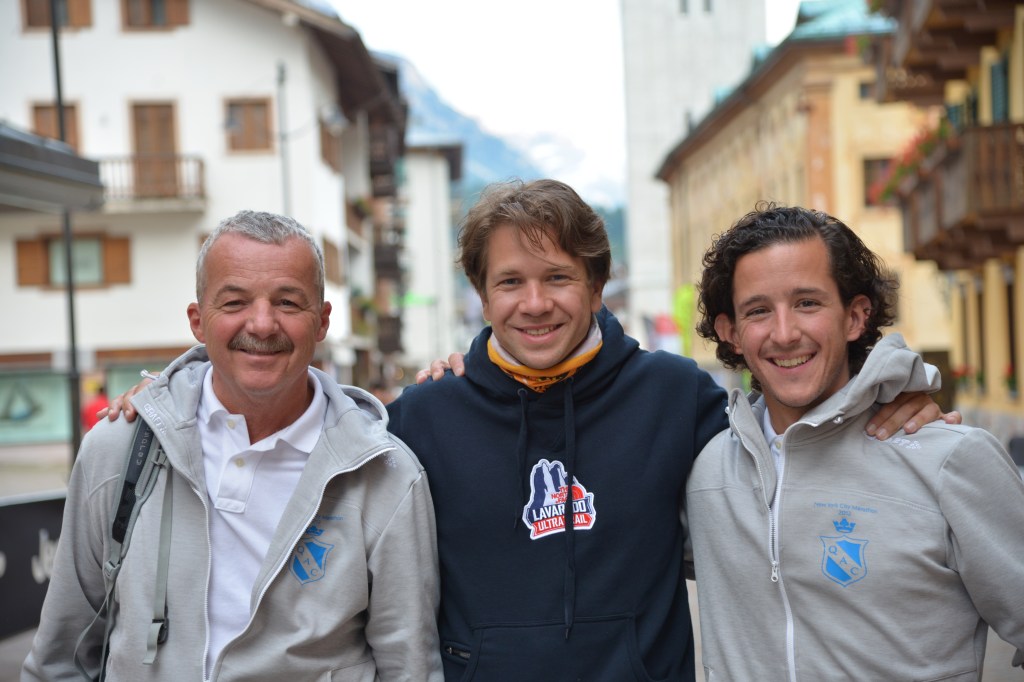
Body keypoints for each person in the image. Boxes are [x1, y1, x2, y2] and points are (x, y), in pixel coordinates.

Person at [106, 182, 951, 681]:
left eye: (557, 276)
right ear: (480, 291)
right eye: (510, 280)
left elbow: (793, 427)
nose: (535, 302)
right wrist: (175, 390)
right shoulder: (422, 421)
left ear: (596, 283)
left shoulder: (677, 397)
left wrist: (900, 392)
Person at [24, 211, 442, 681]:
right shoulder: (119, 448)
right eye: (235, 302)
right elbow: (62, 656)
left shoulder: (386, 475)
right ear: (198, 321)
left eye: (287, 302)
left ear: (322, 321)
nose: (262, 325)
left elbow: (409, 667)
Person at [686, 203, 1024, 680]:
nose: (785, 334)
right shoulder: (706, 472)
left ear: (855, 317)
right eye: (758, 310)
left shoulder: (951, 459)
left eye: (807, 302)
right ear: (731, 333)